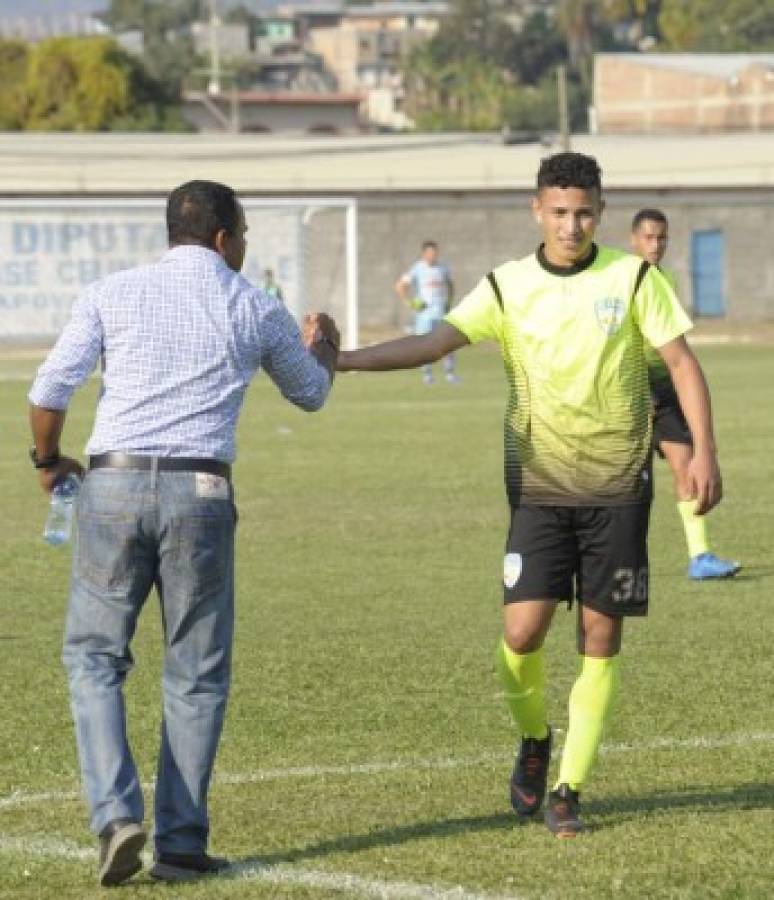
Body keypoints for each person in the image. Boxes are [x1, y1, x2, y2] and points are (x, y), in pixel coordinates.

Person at [320, 153, 722, 837]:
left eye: (584, 212)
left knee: (600, 638)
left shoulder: (632, 277)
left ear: (599, 210)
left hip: (619, 494)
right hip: (539, 492)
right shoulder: (506, 288)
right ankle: (534, 739)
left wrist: (705, 454)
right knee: (521, 631)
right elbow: (431, 341)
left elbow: (682, 362)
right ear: (537, 209)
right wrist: (344, 360)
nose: (572, 225)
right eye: (560, 212)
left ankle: (568, 786)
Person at [28, 180, 339, 886]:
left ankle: (115, 816)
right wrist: (324, 347)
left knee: (94, 659)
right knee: (195, 670)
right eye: (246, 235)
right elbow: (311, 393)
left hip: (111, 483)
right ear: (226, 239)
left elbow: (49, 392)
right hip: (201, 490)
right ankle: (181, 842)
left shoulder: (112, 292)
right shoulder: (253, 305)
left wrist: (48, 462)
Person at [630, 208, 739, 580]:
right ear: (634, 240)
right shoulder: (624, 280)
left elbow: (674, 341)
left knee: (687, 466)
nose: (655, 244)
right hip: (631, 388)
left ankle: (700, 557)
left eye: (661, 237)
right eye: (648, 237)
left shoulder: (667, 278)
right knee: (626, 481)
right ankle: (614, 557)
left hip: (665, 385)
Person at [395, 240, 459, 384]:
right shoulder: (417, 268)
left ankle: (450, 374)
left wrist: (449, 301)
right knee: (426, 346)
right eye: (430, 253)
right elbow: (400, 286)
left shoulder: (443, 268)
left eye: (435, 253)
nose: (432, 255)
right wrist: (410, 303)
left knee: (448, 343)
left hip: (441, 312)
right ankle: (427, 375)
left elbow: (450, 285)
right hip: (424, 315)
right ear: (424, 254)